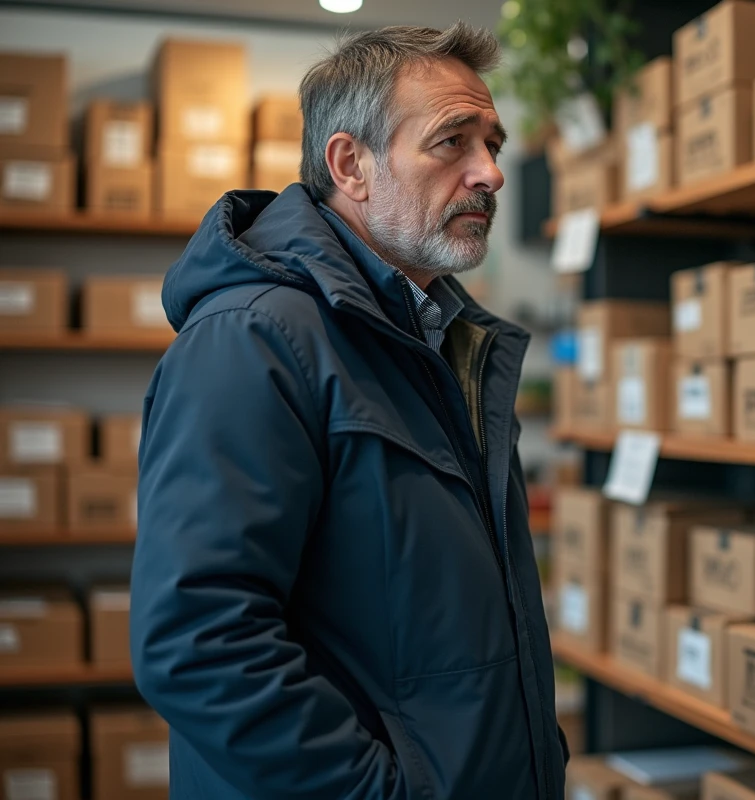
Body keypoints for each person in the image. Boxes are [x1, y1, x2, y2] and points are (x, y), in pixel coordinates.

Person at [130, 23, 566, 800]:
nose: (491, 173)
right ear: (350, 164)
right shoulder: (254, 340)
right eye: (452, 143)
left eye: (493, 143)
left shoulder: (445, 340)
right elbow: (199, 641)